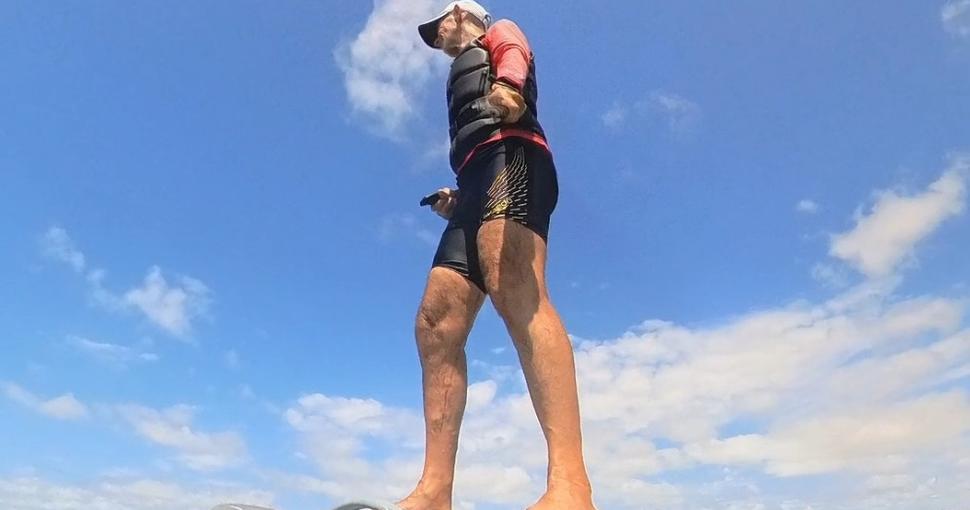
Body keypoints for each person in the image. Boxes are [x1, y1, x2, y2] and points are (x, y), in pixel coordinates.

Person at [398, 2, 597, 510]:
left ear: (461, 14)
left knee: (515, 284)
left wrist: (508, 87)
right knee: (435, 320)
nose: (437, 36)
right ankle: (434, 492)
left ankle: (571, 487)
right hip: (473, 180)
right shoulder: (457, 73)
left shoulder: (497, 31)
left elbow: (514, 49)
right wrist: (458, 199)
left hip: (514, 154)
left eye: (439, 25)